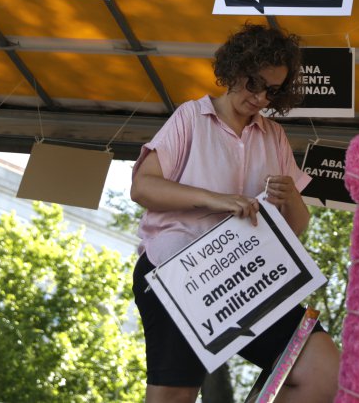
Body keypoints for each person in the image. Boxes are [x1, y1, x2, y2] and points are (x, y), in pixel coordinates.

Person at [130, 23, 340, 403]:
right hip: (177, 272)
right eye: (254, 83)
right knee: (175, 394)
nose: (261, 97)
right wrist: (217, 199)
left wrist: (291, 196)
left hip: (246, 279)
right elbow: (143, 187)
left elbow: (295, 227)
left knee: (324, 370)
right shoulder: (191, 117)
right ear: (233, 69)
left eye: (273, 91)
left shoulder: (274, 135)